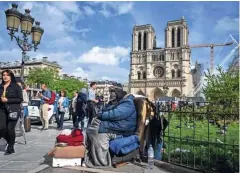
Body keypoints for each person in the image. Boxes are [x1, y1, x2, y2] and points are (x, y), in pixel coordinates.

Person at [84, 88, 136, 168]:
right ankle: (91, 156)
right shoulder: (116, 103)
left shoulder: (127, 103)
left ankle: (102, 161)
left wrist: (101, 115)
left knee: (98, 134)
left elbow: (116, 114)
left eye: (113, 97)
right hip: (115, 126)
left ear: (117, 96)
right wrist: (101, 114)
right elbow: (105, 111)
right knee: (90, 130)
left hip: (122, 130)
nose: (111, 99)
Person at [0, 70, 23, 155]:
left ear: (11, 76)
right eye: (3, 75)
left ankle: (10, 147)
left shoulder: (16, 86)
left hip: (13, 109)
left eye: (7, 75)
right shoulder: (0, 86)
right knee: (1, 128)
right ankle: (11, 141)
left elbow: (20, 99)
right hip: (2, 109)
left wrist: (8, 100)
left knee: (10, 129)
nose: (5, 76)